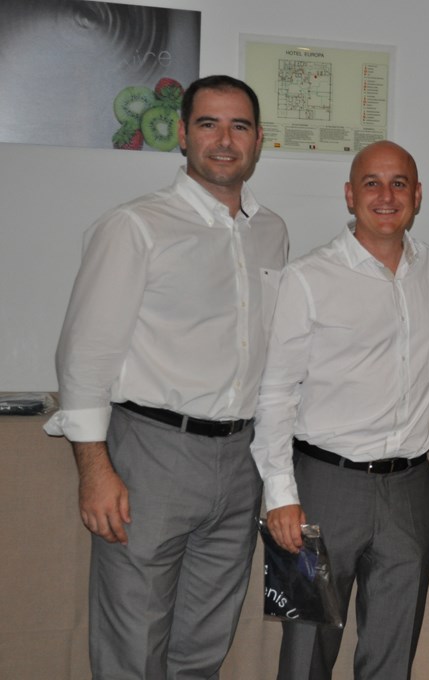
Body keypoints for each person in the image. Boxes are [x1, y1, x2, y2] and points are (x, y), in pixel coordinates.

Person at [43, 75, 289, 678]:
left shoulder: (271, 231)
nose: (224, 140)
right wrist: (95, 470)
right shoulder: (136, 226)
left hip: (239, 460)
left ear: (259, 139)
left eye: (239, 126)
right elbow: (85, 355)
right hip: (152, 457)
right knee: (134, 643)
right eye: (208, 124)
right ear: (182, 134)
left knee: (204, 644)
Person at [251, 140, 429, 680]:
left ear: (417, 195)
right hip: (322, 488)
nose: (386, 195)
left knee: (393, 654)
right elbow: (275, 391)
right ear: (349, 195)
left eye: (399, 183)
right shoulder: (307, 277)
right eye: (371, 183)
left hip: (410, 489)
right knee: (305, 651)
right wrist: (280, 496)